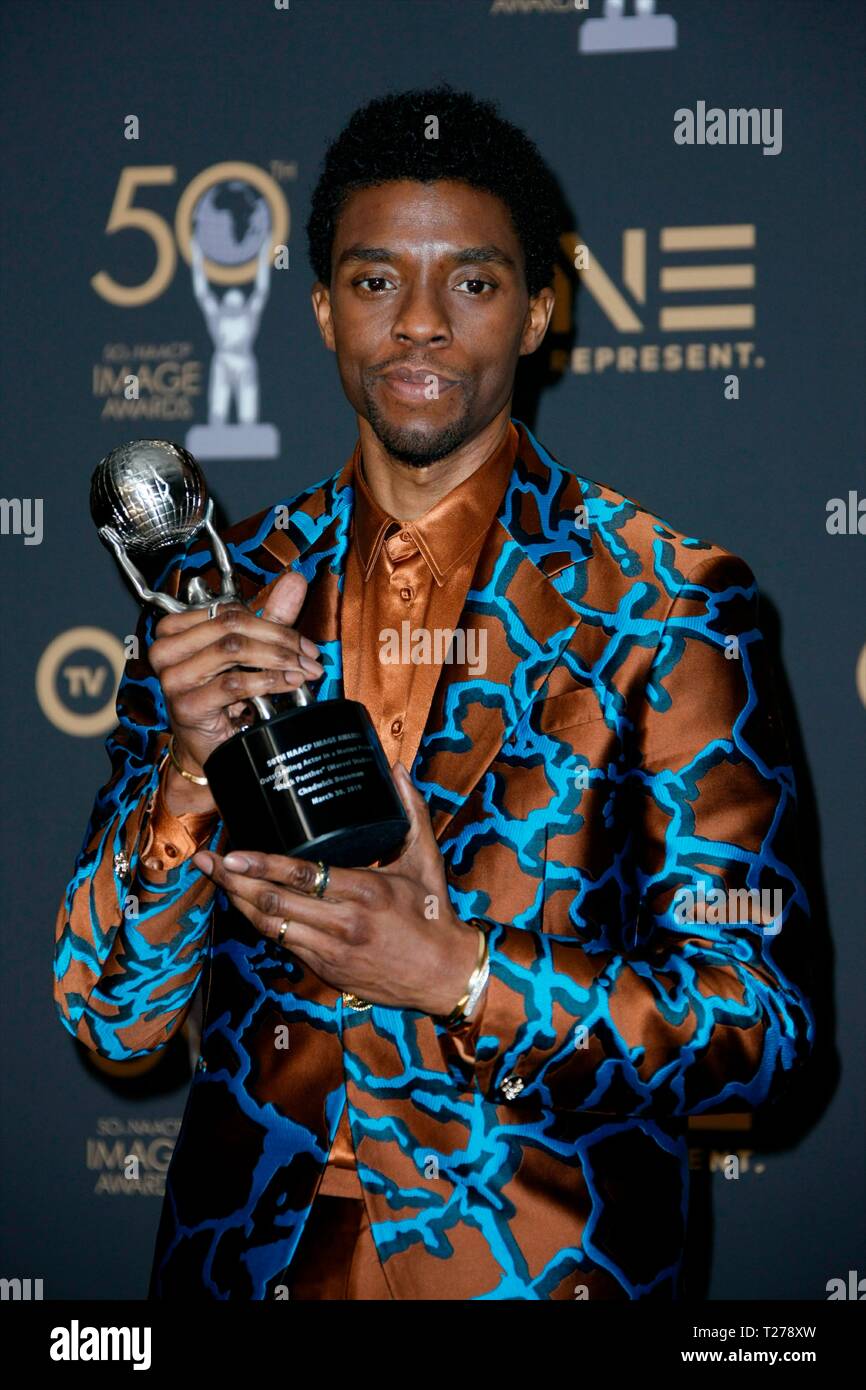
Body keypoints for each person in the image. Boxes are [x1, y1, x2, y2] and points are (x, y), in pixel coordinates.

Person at [54, 85, 815, 1301]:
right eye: (371, 282)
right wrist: (191, 773)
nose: (415, 324)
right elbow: (111, 1019)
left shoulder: (665, 603)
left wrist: (459, 974)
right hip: (241, 1268)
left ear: (535, 311)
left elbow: (758, 1038)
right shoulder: (225, 598)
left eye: (468, 281)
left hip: (533, 1270)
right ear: (318, 310)